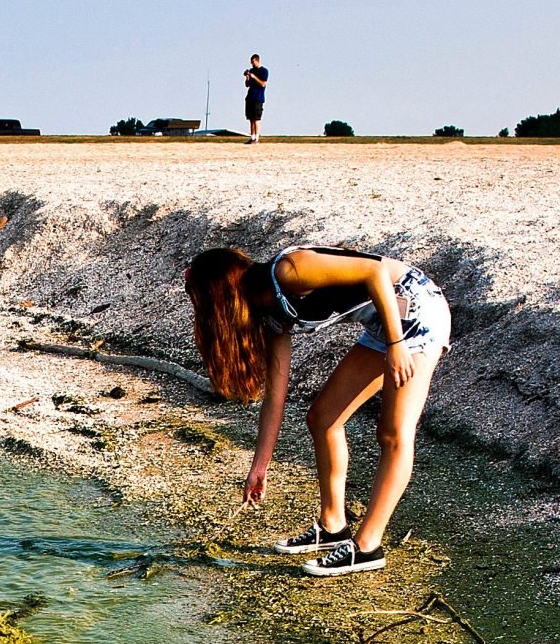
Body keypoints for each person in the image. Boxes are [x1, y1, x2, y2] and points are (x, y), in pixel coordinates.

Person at [184, 244, 453, 577]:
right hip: (384, 325)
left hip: (417, 313)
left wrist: (396, 344)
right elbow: (275, 397)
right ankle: (332, 526)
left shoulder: (290, 271)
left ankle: (368, 547)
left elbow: (375, 273)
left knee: (394, 433)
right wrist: (260, 466)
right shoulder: (270, 314)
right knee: (323, 419)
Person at [243, 55, 270, 144]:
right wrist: (247, 77)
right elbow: (247, 85)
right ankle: (252, 137)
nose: (252, 64)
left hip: (258, 98)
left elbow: (263, 84)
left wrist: (254, 77)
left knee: (256, 118)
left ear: (257, 61)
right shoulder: (251, 71)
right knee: (251, 118)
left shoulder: (264, 71)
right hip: (250, 97)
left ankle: (257, 138)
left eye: (253, 62)